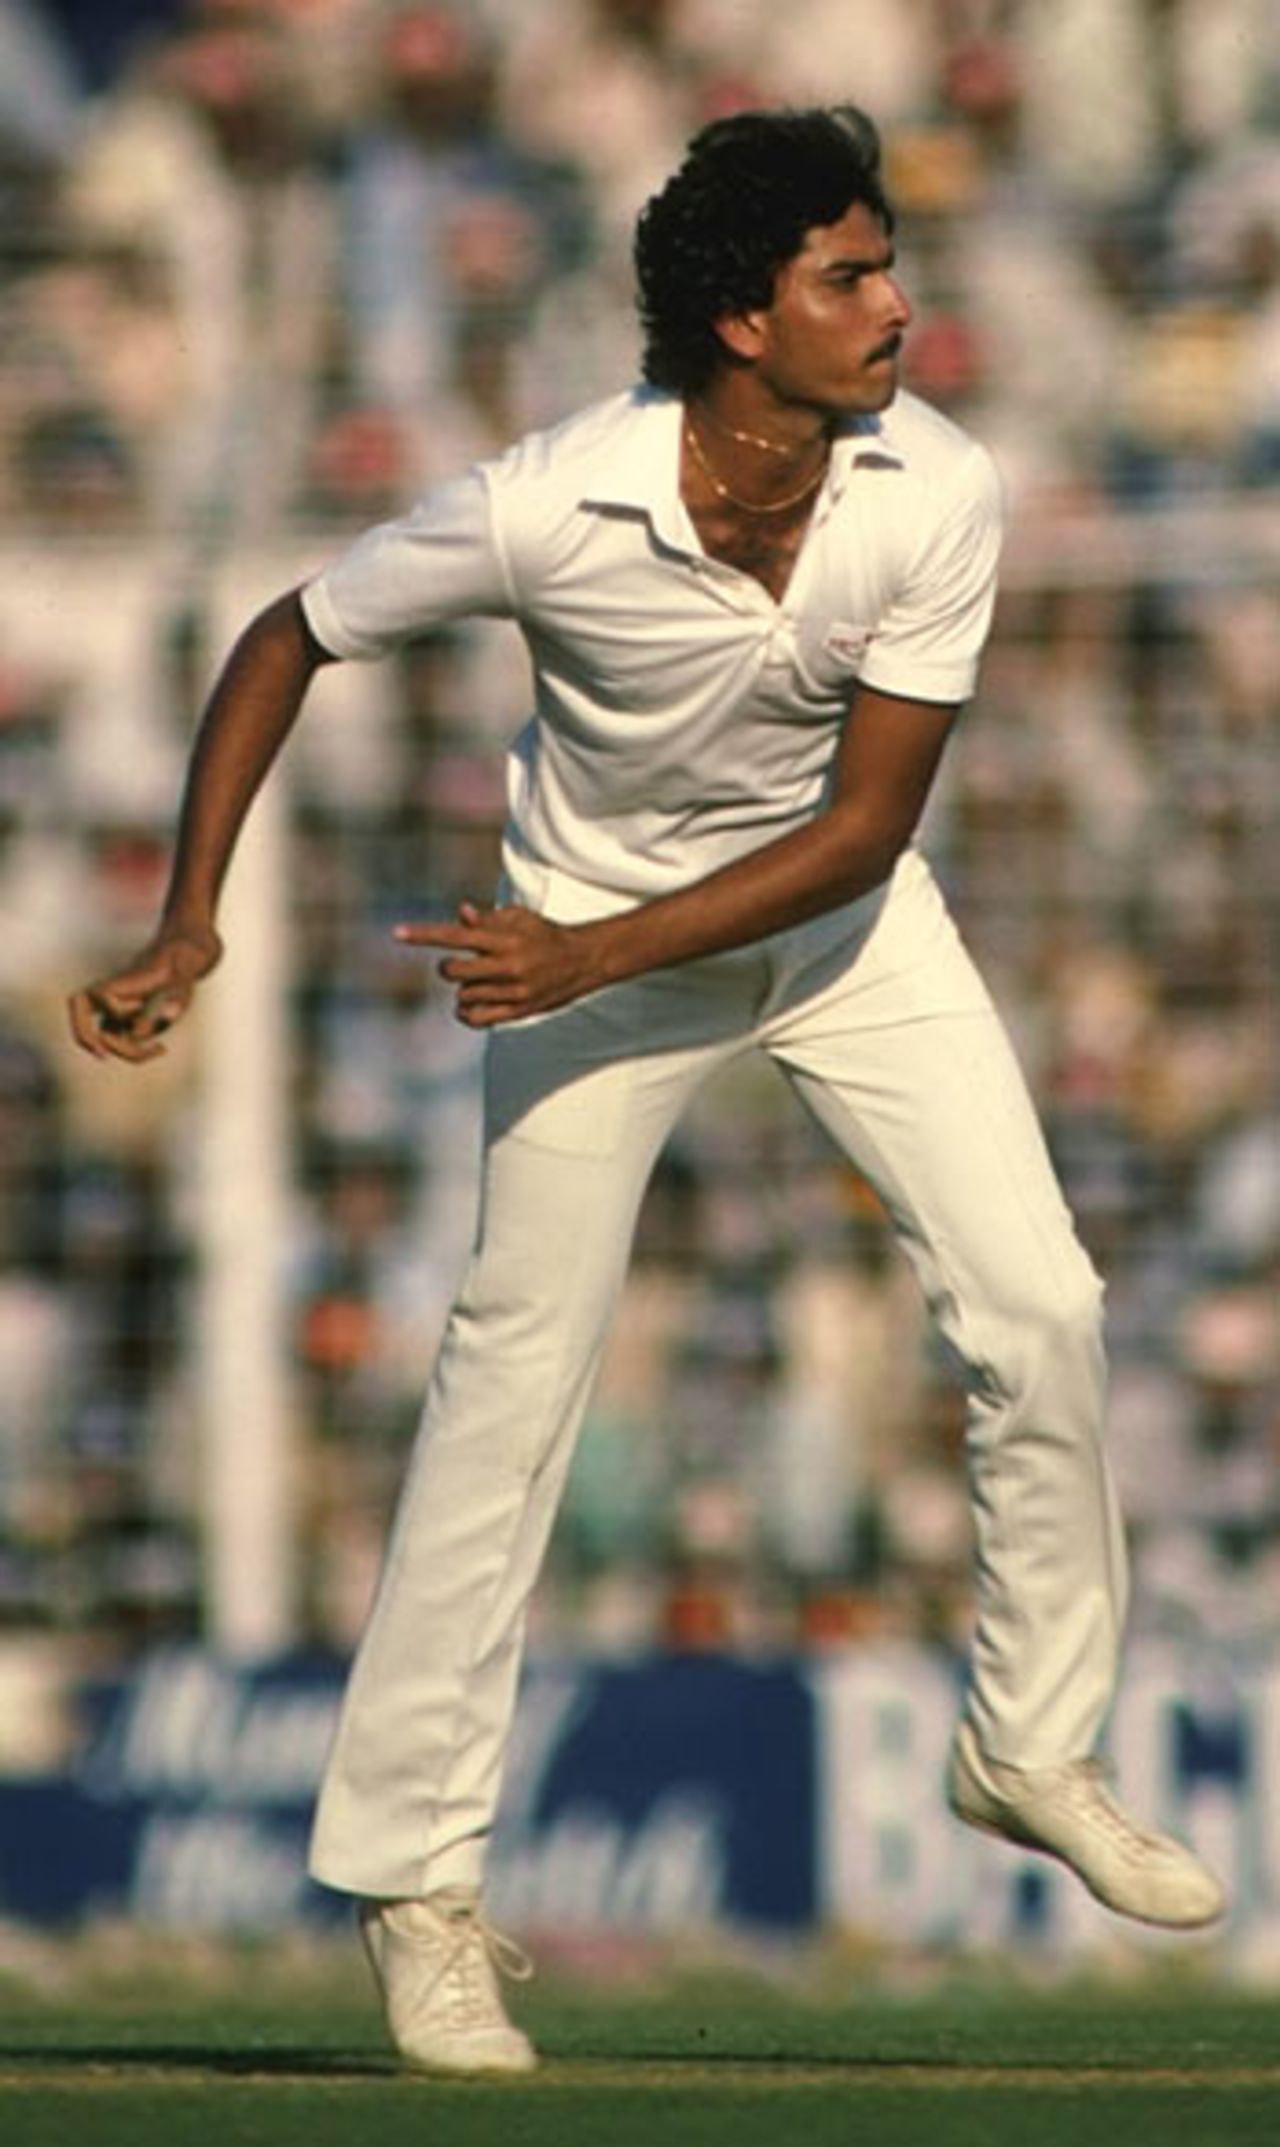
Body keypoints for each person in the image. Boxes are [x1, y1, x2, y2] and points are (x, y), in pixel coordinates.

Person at [68, 104, 1224, 2075]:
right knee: (509, 1384)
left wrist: (590, 952)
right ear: (734, 319)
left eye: (886, 266)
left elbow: (866, 830)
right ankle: (416, 1892)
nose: (894, 306)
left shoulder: (935, 488)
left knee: (1039, 1306)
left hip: (831, 936)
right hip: (592, 943)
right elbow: (287, 636)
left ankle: (1026, 1749)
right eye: (845, 277)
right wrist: (190, 921)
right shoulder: (546, 500)